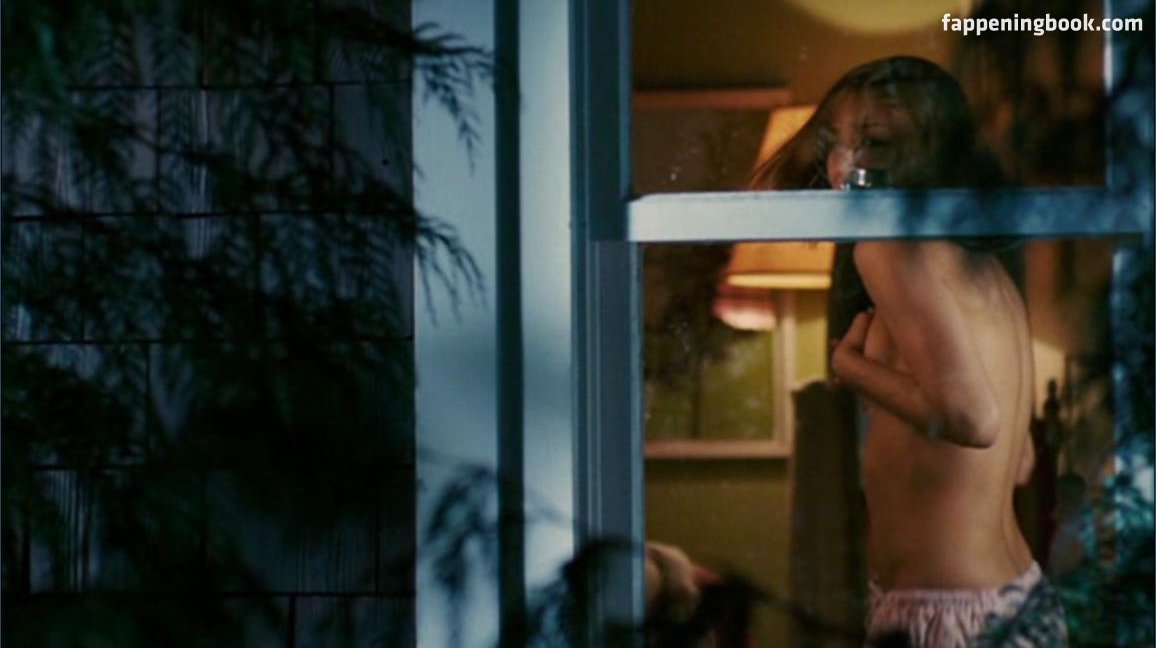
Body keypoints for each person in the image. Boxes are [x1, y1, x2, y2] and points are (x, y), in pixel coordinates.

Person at [751, 56, 1067, 647]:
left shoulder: (889, 249)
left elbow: (974, 420)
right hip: (1010, 597)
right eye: (833, 143)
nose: (842, 167)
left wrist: (852, 367)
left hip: (947, 611)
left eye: (873, 143)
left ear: (933, 154)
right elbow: (1020, 458)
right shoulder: (985, 268)